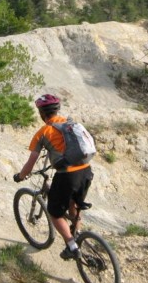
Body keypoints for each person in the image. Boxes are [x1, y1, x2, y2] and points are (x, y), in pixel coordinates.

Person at [14, 94, 93, 260]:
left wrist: (21, 176)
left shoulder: (43, 132)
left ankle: (72, 246)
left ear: (42, 114)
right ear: (57, 110)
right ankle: (77, 233)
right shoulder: (71, 122)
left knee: (54, 212)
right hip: (86, 170)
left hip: (67, 175)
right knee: (74, 204)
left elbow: (31, 162)